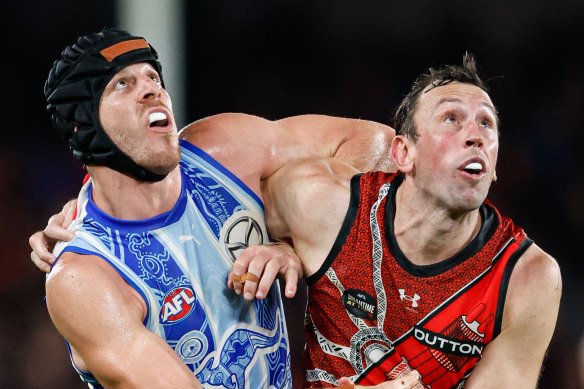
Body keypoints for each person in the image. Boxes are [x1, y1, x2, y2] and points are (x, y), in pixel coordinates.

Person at [33, 28, 421, 388]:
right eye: (123, 83)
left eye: (153, 77)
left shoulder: (223, 151)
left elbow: (376, 145)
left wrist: (300, 239)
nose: (152, 90)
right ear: (82, 126)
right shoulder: (84, 278)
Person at [230, 54, 562, 387]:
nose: (475, 135)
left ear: (494, 166)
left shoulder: (526, 277)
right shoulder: (326, 205)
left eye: (486, 123)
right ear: (403, 154)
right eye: (451, 118)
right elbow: (219, 202)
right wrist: (282, 244)